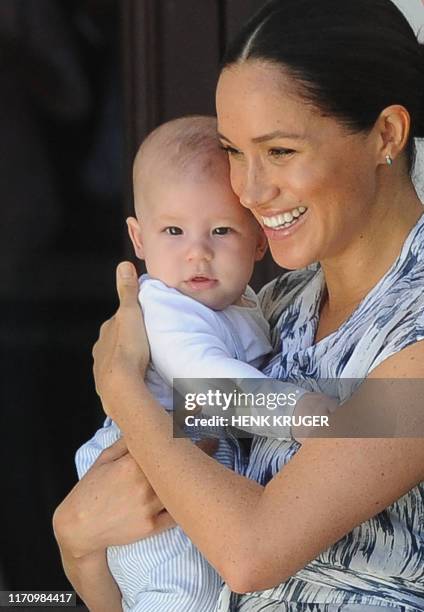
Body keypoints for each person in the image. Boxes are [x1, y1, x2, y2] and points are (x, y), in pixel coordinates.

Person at [53, 0, 424, 610]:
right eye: (232, 150)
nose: (248, 191)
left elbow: (250, 553)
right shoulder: (272, 307)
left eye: (279, 152)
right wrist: (77, 545)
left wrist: (119, 387)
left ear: (385, 134)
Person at [69, 115, 327, 611]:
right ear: (139, 240)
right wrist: (311, 415)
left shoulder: (250, 304)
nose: (197, 254)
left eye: (221, 230)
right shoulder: (164, 309)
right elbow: (211, 386)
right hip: (145, 481)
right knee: (181, 594)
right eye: (173, 230)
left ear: (258, 239)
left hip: (194, 468)